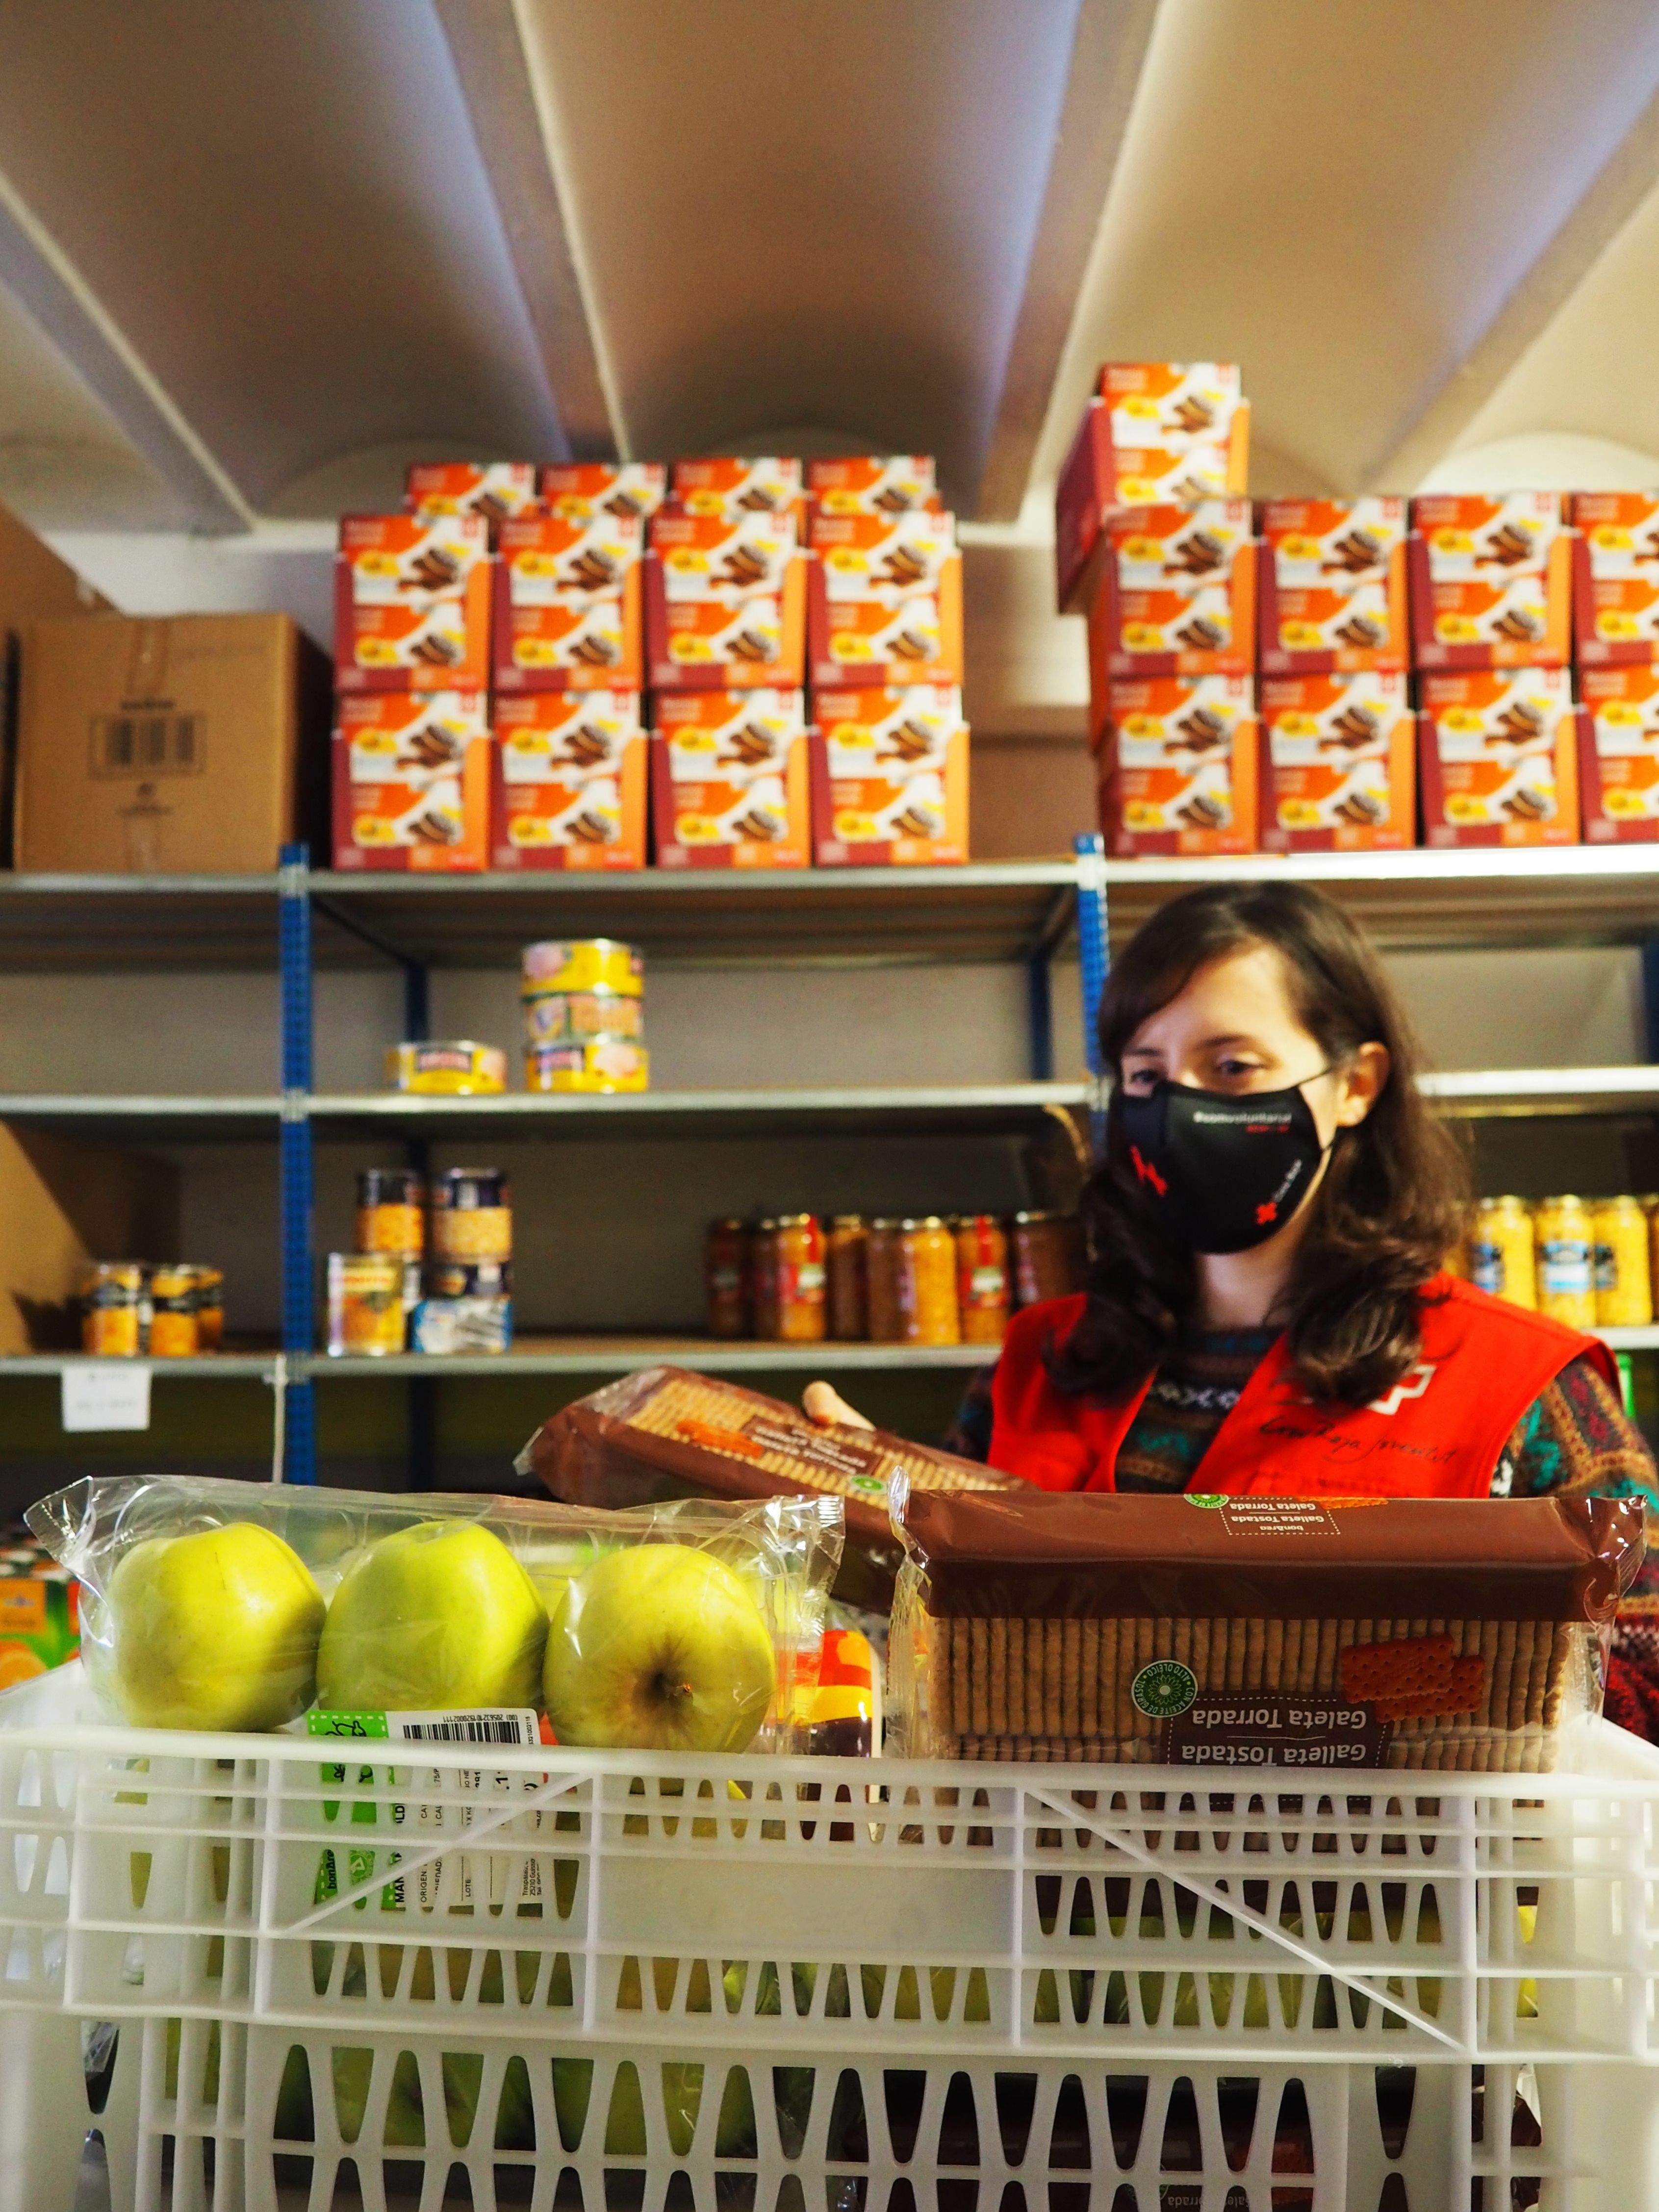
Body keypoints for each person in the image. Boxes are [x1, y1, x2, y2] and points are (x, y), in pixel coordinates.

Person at [806, 881, 1659, 1721]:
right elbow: (930, 1653)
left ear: (1357, 1084)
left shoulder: (1520, 1384)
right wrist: (874, 1510)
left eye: (1232, 1067)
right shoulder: (1044, 1360)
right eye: (1147, 1075)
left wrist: (1453, 1679)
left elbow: (1644, 1680)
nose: (1182, 1109)